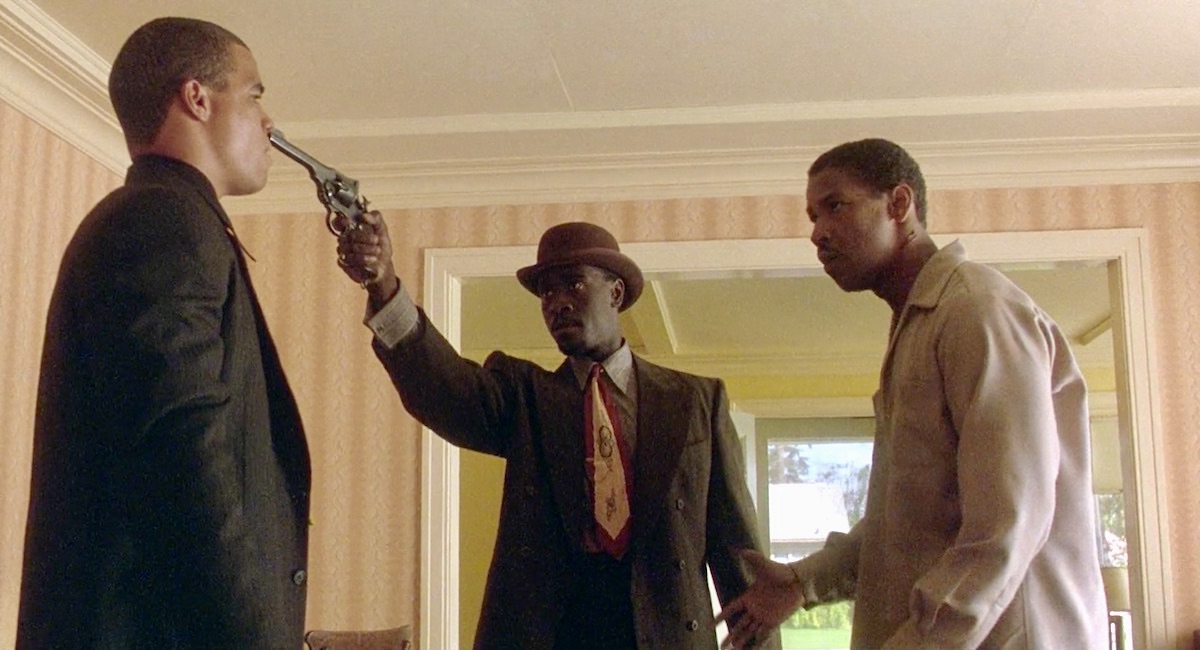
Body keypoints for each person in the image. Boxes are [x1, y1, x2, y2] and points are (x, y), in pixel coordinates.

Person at [717, 138, 1108, 649]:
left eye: (835, 206)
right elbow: (905, 525)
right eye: (813, 217)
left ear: (899, 204)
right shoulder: (921, 326)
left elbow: (1008, 524)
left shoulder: (976, 310)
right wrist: (802, 581)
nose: (817, 233)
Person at [336, 218, 779, 649]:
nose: (557, 302)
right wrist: (384, 287)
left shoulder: (696, 400)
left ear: (615, 293)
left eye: (574, 284)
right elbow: (444, 386)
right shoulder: (525, 396)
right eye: (547, 292)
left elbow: (739, 553)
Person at [18, 17, 310, 649]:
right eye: (254, 95)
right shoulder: (162, 219)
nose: (268, 121)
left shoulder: (162, 218)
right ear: (197, 97)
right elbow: (184, 454)